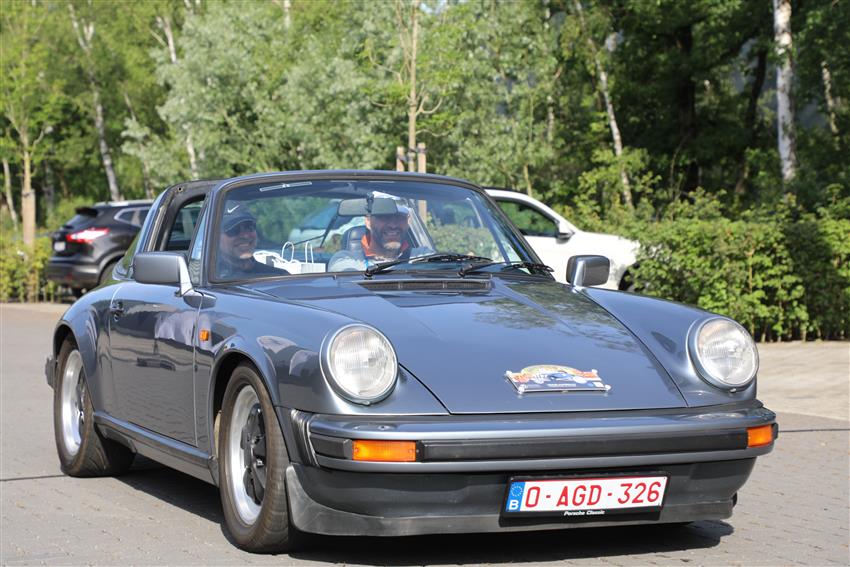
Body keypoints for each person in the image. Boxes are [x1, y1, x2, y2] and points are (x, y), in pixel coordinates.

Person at [327, 199, 428, 272]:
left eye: (399, 217)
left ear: (408, 221)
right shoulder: (346, 260)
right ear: (368, 221)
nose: (393, 225)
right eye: (384, 217)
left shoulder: (422, 256)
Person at [217, 204, 287, 279]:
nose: (245, 236)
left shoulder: (279, 277)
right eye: (234, 230)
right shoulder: (211, 277)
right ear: (216, 236)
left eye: (249, 227)